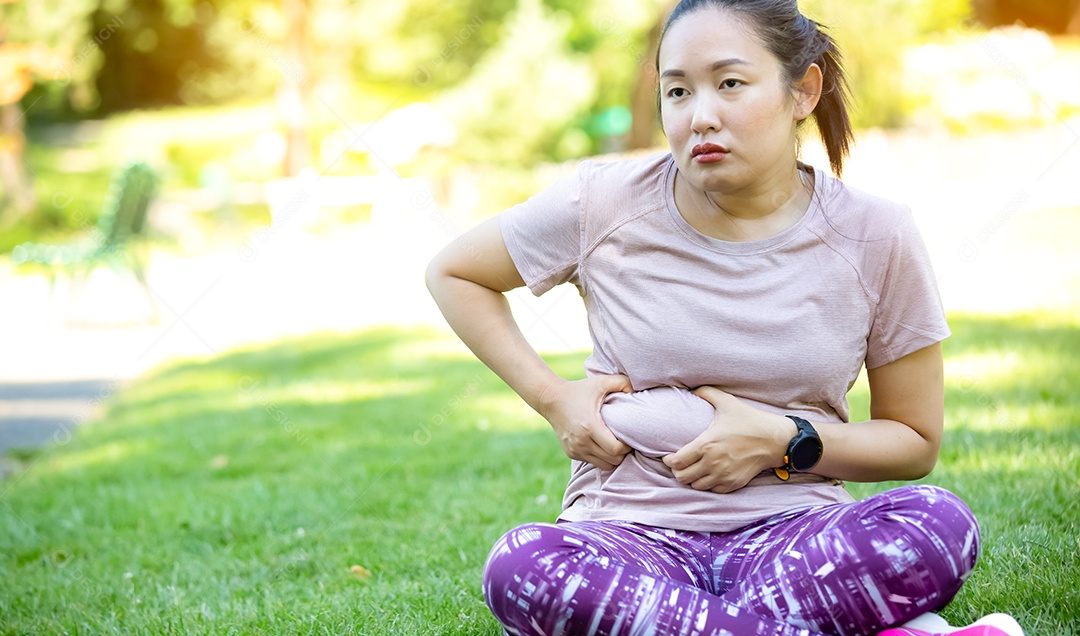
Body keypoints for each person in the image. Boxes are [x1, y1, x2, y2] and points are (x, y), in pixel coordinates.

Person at [426, 1, 1025, 634]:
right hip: (632, 537)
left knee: (935, 525)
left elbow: (913, 442)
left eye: (730, 83)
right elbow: (456, 272)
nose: (700, 116)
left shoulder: (876, 235)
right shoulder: (601, 203)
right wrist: (553, 399)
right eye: (677, 91)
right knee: (524, 566)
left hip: (797, 538)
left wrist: (782, 439)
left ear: (804, 90)